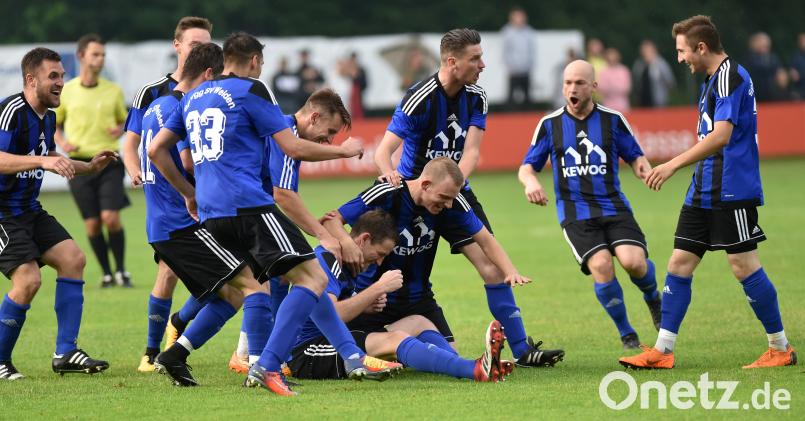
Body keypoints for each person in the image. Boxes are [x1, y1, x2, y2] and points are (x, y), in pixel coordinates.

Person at [148, 32, 398, 395]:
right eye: (261, 64)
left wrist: (190, 194)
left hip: (213, 213)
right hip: (248, 206)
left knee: (245, 291)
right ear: (253, 62)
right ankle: (266, 365)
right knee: (313, 279)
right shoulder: (253, 92)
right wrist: (344, 153)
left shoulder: (192, 97)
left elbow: (157, 150)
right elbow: (291, 155)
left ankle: (179, 353)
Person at [374, 28, 562, 368]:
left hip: (455, 191)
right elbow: (384, 151)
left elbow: (472, 152)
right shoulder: (419, 97)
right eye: (475, 58)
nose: (483, 64)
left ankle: (522, 350)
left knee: (491, 268)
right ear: (451, 61)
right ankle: (365, 333)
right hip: (418, 196)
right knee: (388, 264)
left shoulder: (477, 97)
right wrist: (391, 178)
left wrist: (454, 189)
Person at [620, 15, 797, 370]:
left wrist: (670, 165)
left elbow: (722, 136)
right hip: (704, 187)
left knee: (743, 265)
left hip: (732, 187)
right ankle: (663, 351)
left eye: (682, 51)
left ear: (701, 47)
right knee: (679, 263)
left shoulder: (730, 75)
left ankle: (780, 347)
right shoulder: (712, 80)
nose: (680, 58)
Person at [324, 158, 564, 367]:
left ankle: (408, 352)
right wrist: (347, 244)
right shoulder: (388, 192)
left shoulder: (451, 204)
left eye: (451, 199)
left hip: (418, 300)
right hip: (374, 299)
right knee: (379, 347)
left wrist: (510, 271)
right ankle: (390, 350)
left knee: (450, 355)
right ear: (426, 184)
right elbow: (333, 220)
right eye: (444, 198)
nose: (448, 205)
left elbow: (485, 240)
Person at [518, 59, 661, 350]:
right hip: (576, 213)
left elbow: (635, 155)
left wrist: (643, 169)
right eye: (568, 83)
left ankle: (653, 298)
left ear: (593, 87)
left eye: (580, 83)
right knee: (602, 265)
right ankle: (626, 333)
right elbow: (526, 167)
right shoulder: (550, 124)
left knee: (634, 263)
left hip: (613, 206)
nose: (573, 88)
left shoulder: (613, 119)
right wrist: (531, 182)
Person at [0, 48, 118, 380]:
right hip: (2, 214)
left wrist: (90, 166)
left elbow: (51, 155)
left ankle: (65, 352)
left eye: (62, 76)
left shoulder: (48, 117)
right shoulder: (11, 111)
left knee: (73, 259)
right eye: (53, 76)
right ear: (30, 79)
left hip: (28, 210)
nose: (61, 82)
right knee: (28, 280)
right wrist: (43, 161)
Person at [291, 209, 512, 382]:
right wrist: (377, 288)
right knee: (395, 339)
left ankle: (469, 365)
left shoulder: (353, 263)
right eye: (378, 255)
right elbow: (332, 316)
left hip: (336, 338)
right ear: (363, 239)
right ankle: (473, 370)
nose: (378, 262)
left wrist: (367, 305)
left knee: (418, 321)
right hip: (309, 351)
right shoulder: (326, 261)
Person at [228, 87, 355, 373]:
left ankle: (251, 353)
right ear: (314, 116)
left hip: (238, 209)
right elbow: (282, 194)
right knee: (295, 274)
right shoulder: (287, 135)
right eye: (330, 130)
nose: (329, 139)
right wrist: (323, 235)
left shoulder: (284, 131)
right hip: (245, 212)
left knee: (272, 278)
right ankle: (259, 359)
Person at [122, 42, 229, 373]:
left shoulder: (160, 104)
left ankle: (166, 342)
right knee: (242, 284)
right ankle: (174, 351)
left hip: (161, 217)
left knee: (225, 281)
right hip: (183, 219)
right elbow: (186, 160)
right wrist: (194, 190)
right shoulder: (181, 106)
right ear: (208, 73)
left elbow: (148, 147)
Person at [54, 34, 130, 287]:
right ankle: (107, 273)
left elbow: (125, 120)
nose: (100, 59)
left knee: (111, 218)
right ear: (81, 56)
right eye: (95, 54)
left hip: (108, 161)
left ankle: (121, 271)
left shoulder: (114, 90)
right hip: (78, 165)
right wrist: (62, 143)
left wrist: (119, 129)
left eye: (103, 55)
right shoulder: (68, 91)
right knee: (93, 225)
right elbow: (55, 124)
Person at [501, 7, 535, 109]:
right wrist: (510, 65)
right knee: (511, 98)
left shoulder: (529, 32)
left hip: (526, 69)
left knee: (527, 97)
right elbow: (505, 51)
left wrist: (530, 65)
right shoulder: (507, 32)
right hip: (513, 70)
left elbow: (532, 51)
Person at [632, 40, 676, 108]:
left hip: (659, 102)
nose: (645, 52)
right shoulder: (639, 65)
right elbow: (636, 82)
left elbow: (670, 81)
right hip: (642, 103)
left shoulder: (661, 64)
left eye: (647, 50)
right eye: (643, 50)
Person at [745, 32, 781, 102]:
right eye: (762, 44)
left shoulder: (772, 58)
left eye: (766, 45)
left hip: (771, 93)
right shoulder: (750, 58)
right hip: (756, 93)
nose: (765, 47)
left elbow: (777, 71)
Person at [597, 48, 631, 112]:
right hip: (608, 104)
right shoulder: (603, 71)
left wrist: (613, 87)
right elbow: (600, 87)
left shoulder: (623, 70)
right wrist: (612, 88)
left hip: (622, 104)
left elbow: (626, 88)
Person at [337, 52, 367, 119]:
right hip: (348, 86)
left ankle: (355, 116)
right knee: (348, 102)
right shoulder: (351, 67)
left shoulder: (358, 67)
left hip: (355, 87)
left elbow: (357, 77)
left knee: (355, 102)